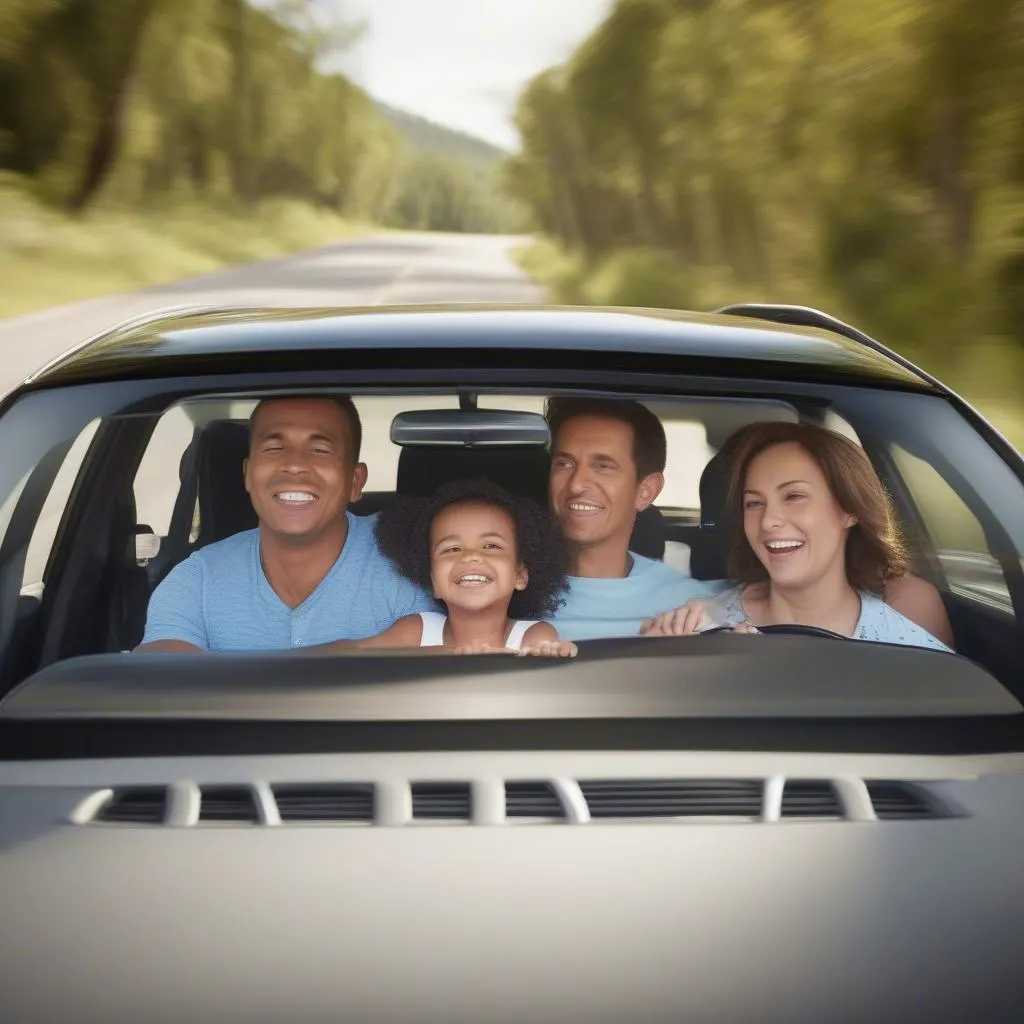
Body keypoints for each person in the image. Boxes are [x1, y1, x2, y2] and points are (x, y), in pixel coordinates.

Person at [136, 395, 436, 652]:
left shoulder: (407, 563)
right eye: (274, 448)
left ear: (354, 482)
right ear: (248, 474)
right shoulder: (196, 580)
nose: (294, 464)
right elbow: (161, 688)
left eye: (319, 450)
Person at [642, 421, 952, 650]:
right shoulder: (696, 625)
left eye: (793, 496)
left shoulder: (907, 636)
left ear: (849, 510)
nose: (768, 521)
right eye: (754, 503)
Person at [544, 397, 730, 641]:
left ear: (646, 491)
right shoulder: (503, 586)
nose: (577, 484)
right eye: (565, 463)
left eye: (603, 466)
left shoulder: (699, 606)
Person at [362, 478, 576, 656]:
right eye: (452, 549)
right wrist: (440, 654)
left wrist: (550, 656)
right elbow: (349, 656)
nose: (471, 556)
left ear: (519, 575)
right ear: (433, 580)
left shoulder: (532, 635)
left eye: (491, 546)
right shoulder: (416, 631)